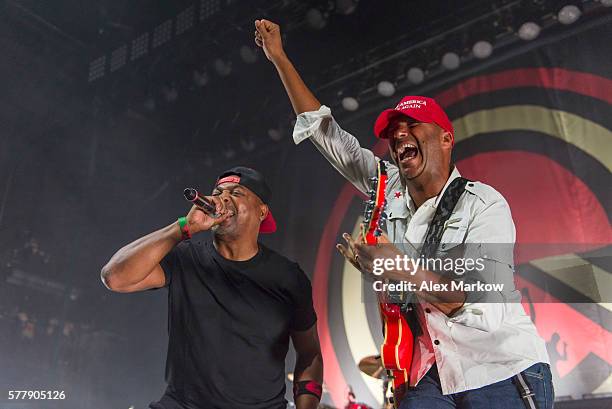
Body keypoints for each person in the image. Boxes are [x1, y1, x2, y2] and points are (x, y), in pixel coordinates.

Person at [254, 19, 553, 409]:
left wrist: (395, 267)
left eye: (412, 126)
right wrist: (279, 58)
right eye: (393, 131)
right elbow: (326, 134)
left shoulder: (484, 204)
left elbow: (482, 305)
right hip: (429, 373)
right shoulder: (388, 187)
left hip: (499, 369)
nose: (398, 136)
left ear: (446, 139)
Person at [101, 166, 323, 409]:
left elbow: (309, 352)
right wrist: (184, 227)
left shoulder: (288, 277)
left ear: (262, 211)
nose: (223, 198)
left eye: (237, 193)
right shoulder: (185, 259)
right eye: (218, 192)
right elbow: (115, 277)